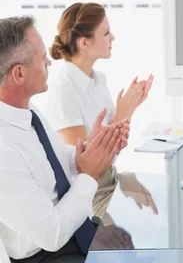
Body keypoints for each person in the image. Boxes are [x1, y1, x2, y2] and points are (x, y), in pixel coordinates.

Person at [0, 16, 130, 263]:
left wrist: (91, 147)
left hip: (74, 230)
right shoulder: (3, 150)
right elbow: (52, 235)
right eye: (41, 58)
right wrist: (90, 174)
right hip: (48, 253)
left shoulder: (28, 112)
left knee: (138, 245)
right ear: (19, 73)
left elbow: (57, 160)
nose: (49, 62)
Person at [44, 2, 153, 217]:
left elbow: (114, 145)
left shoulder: (97, 80)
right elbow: (84, 167)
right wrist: (123, 112)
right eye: (106, 33)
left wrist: (129, 108)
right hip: (89, 196)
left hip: (110, 180)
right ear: (85, 42)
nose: (112, 38)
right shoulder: (64, 91)